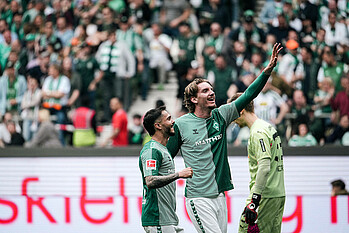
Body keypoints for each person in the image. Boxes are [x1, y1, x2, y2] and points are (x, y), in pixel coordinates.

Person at [166, 43, 282, 233]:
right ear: (194, 99)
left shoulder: (222, 115)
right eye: (205, 91)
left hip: (220, 196)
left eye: (211, 89)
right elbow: (167, 156)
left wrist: (267, 71)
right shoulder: (181, 124)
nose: (211, 92)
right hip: (198, 197)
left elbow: (249, 94)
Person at [227, 92, 285, 233]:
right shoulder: (267, 127)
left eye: (232, 113)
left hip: (264, 195)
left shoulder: (257, 132)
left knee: (244, 229)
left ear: (241, 110)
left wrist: (254, 199)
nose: (232, 119)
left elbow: (264, 167)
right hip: (277, 193)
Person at [139, 106, 193, 233]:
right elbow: (150, 181)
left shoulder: (163, 149)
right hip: (157, 220)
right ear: (158, 125)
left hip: (168, 220)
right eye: (168, 119)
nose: (173, 121)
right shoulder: (151, 150)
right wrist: (178, 174)